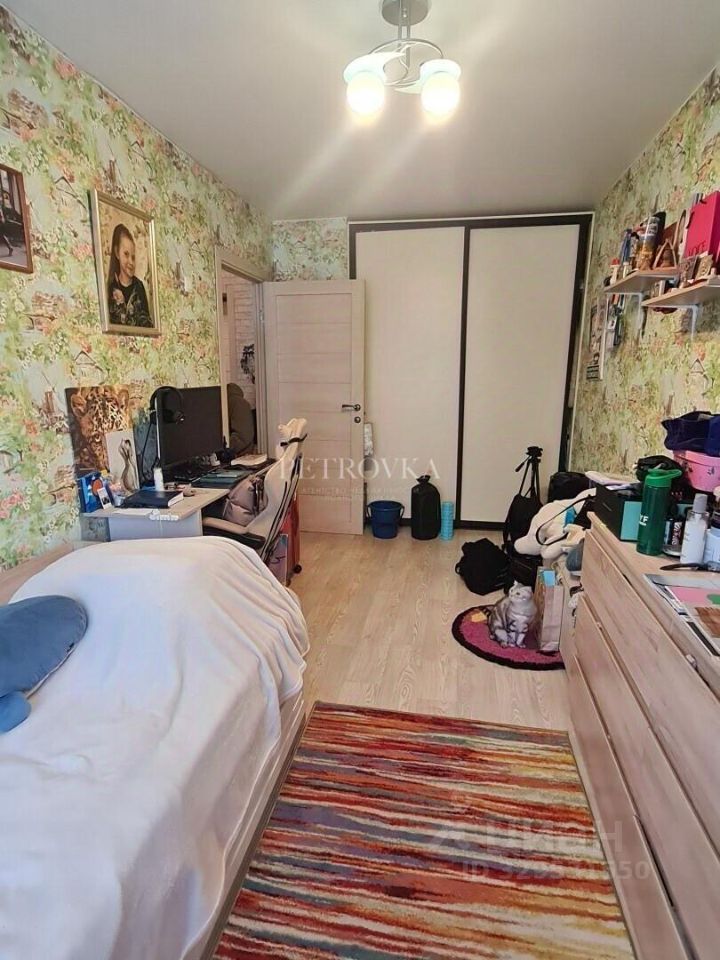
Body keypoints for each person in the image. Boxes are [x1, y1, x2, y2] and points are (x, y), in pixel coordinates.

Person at [106, 223, 151, 327]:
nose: (131, 262)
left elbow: (147, 322)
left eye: (133, 257)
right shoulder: (111, 287)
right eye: (126, 254)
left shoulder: (139, 286)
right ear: (117, 252)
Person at [227, 383, 255, 455]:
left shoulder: (237, 403)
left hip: (239, 456)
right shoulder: (239, 402)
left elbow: (242, 437)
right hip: (242, 455)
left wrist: (224, 448)